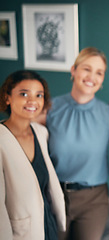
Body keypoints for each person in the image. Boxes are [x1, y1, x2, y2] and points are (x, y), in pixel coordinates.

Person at [44, 47, 109, 240]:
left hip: (93, 200)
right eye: (87, 69)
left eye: (99, 72)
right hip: (54, 195)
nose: (92, 77)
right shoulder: (49, 109)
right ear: (73, 70)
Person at [0, 70, 66, 239]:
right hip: (19, 231)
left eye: (39, 95)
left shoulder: (41, 132)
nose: (32, 101)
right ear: (7, 97)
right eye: (24, 94)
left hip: (46, 222)